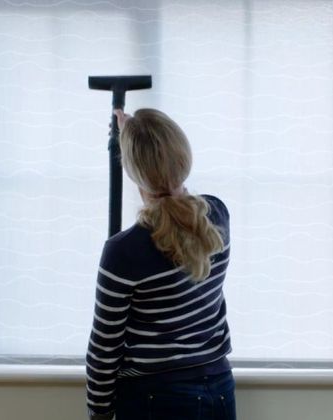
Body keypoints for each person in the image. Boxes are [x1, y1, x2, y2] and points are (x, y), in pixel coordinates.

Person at [85, 108, 235, 420]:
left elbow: (104, 349)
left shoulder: (123, 252)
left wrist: (99, 414)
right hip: (218, 388)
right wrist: (140, 140)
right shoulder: (218, 217)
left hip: (155, 398)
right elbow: (180, 213)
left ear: (131, 170)